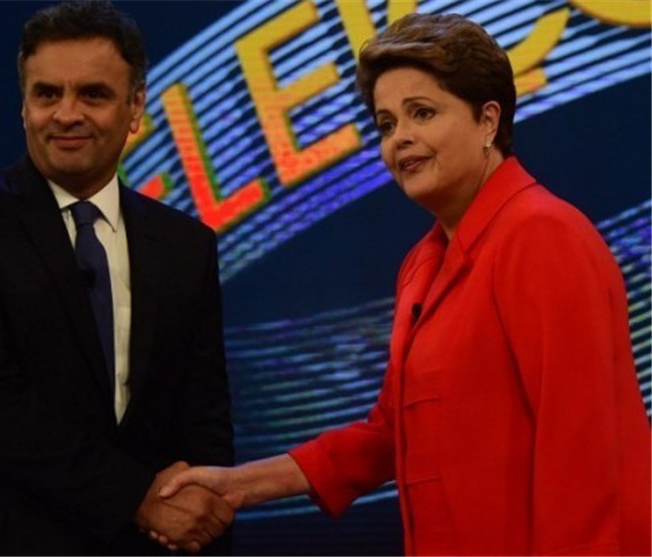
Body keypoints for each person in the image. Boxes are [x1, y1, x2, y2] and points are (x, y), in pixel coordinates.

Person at [156, 13, 652, 556]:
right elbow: (392, 433)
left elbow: (584, 452)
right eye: (386, 124)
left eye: (423, 113)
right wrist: (240, 485)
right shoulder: (421, 264)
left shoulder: (542, 235)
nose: (401, 140)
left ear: (488, 120)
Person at [0, 2, 234, 555]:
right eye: (47, 94)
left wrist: (200, 519)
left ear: (135, 107)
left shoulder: (185, 243)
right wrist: (137, 498)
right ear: (24, 107)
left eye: (93, 95)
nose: (66, 114)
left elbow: (203, 415)